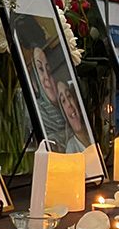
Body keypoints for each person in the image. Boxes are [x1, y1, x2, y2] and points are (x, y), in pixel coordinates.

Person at [14, 16, 68, 148]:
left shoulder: (66, 103)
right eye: (40, 70)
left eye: (48, 69)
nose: (46, 78)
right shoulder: (31, 110)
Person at [55, 79, 92, 153]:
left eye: (69, 96)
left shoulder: (94, 130)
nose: (69, 104)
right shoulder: (71, 148)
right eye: (63, 101)